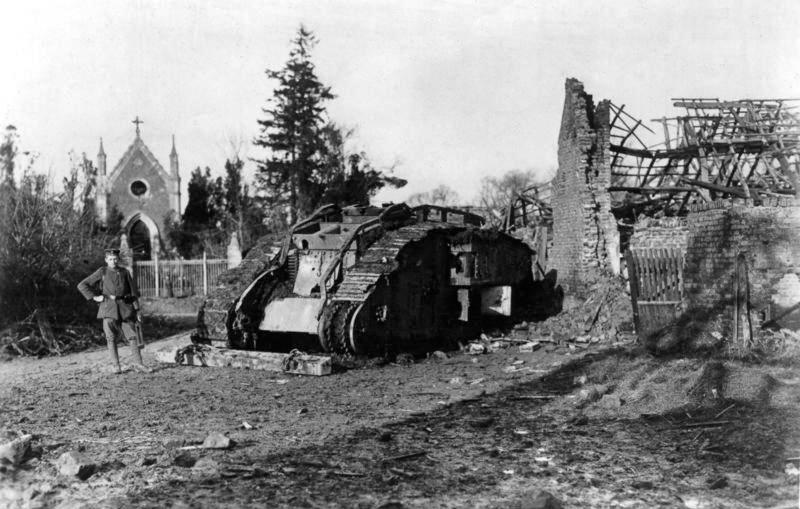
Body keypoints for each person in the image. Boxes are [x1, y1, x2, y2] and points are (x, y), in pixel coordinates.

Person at [78, 248, 149, 374]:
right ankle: (116, 366)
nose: (113, 261)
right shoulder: (102, 271)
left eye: (115, 259)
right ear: (106, 260)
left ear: (118, 259)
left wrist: (137, 310)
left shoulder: (125, 272)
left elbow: (133, 293)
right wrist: (95, 297)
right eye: (110, 259)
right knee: (110, 338)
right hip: (108, 309)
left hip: (126, 309)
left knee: (133, 336)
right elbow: (82, 285)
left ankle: (139, 364)